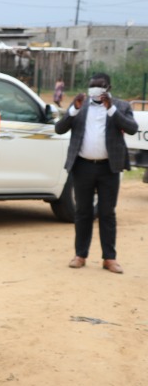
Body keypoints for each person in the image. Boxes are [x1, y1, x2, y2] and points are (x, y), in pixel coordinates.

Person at [55, 72, 138, 274]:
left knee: (107, 213)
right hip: (83, 166)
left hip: (108, 168)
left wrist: (112, 111)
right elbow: (59, 128)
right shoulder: (81, 106)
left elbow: (132, 128)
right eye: (92, 85)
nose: (94, 89)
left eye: (99, 86)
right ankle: (80, 255)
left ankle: (109, 258)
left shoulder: (122, 106)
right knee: (83, 212)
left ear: (108, 88)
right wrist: (73, 109)